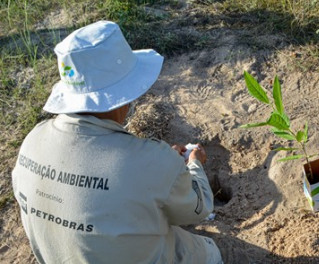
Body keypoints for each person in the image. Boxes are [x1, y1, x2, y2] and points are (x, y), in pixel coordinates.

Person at [12, 21, 222, 264]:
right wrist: (193, 164)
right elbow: (199, 208)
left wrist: (161, 169)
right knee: (208, 251)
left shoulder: (32, 140)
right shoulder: (151, 159)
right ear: (121, 97)